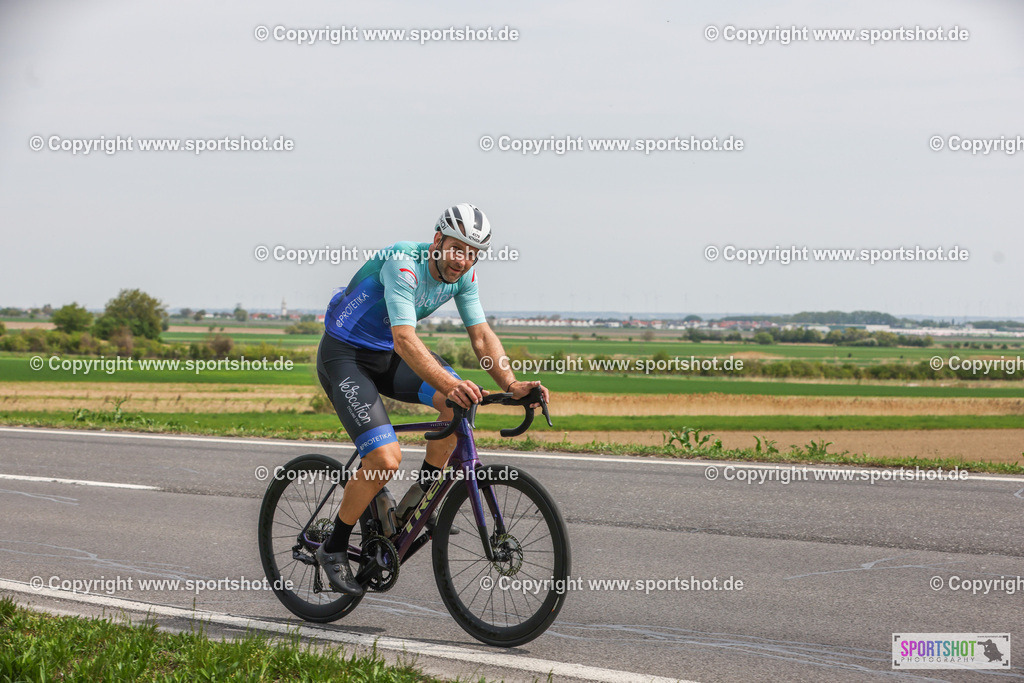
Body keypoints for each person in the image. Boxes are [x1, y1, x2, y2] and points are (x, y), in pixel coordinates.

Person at [314, 203, 549, 595]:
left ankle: (412, 507)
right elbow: (405, 339)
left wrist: (511, 384)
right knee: (385, 457)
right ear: (437, 240)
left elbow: (481, 336)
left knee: (459, 405)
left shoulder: (464, 274)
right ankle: (334, 546)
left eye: (473, 253)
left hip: (388, 355)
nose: (463, 260)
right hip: (347, 356)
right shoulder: (403, 263)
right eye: (457, 249)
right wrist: (449, 382)